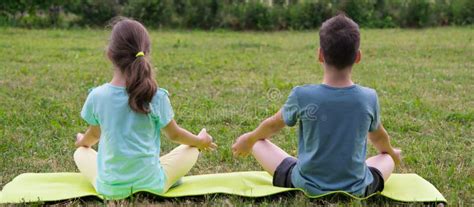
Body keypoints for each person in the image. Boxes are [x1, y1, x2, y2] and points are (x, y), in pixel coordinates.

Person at [232, 14, 401, 197]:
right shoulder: (368, 98)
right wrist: (391, 152)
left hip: (306, 185)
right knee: (386, 158)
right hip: (357, 188)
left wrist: (249, 140)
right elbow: (379, 138)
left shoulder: (302, 95)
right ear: (358, 57)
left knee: (258, 142)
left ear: (320, 54)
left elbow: (272, 125)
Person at [73, 18, 217, 199]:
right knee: (190, 149)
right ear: (146, 53)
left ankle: (157, 174)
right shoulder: (156, 96)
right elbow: (175, 135)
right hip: (152, 184)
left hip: (109, 189)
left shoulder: (97, 96)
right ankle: (169, 177)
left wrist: (82, 142)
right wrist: (200, 141)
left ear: (110, 54)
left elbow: (94, 135)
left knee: (81, 152)